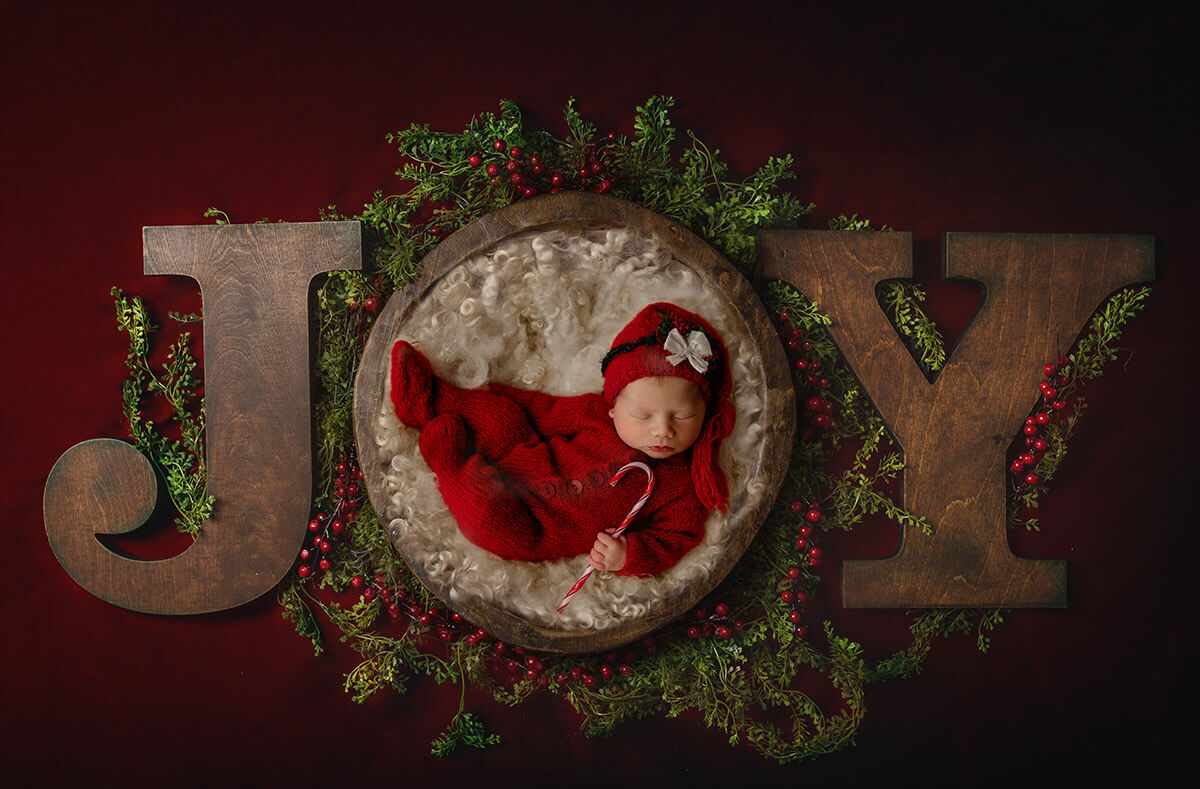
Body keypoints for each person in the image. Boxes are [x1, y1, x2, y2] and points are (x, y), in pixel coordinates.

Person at [389, 302, 734, 577]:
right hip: (526, 453)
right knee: (502, 417)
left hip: (534, 528)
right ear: (613, 409)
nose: (663, 430)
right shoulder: (595, 414)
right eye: (643, 416)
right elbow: (545, 410)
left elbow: (675, 538)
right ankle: (427, 401)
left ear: (705, 414)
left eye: (682, 416)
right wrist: (496, 397)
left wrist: (629, 555)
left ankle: (450, 464)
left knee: (486, 520)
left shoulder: (684, 486)